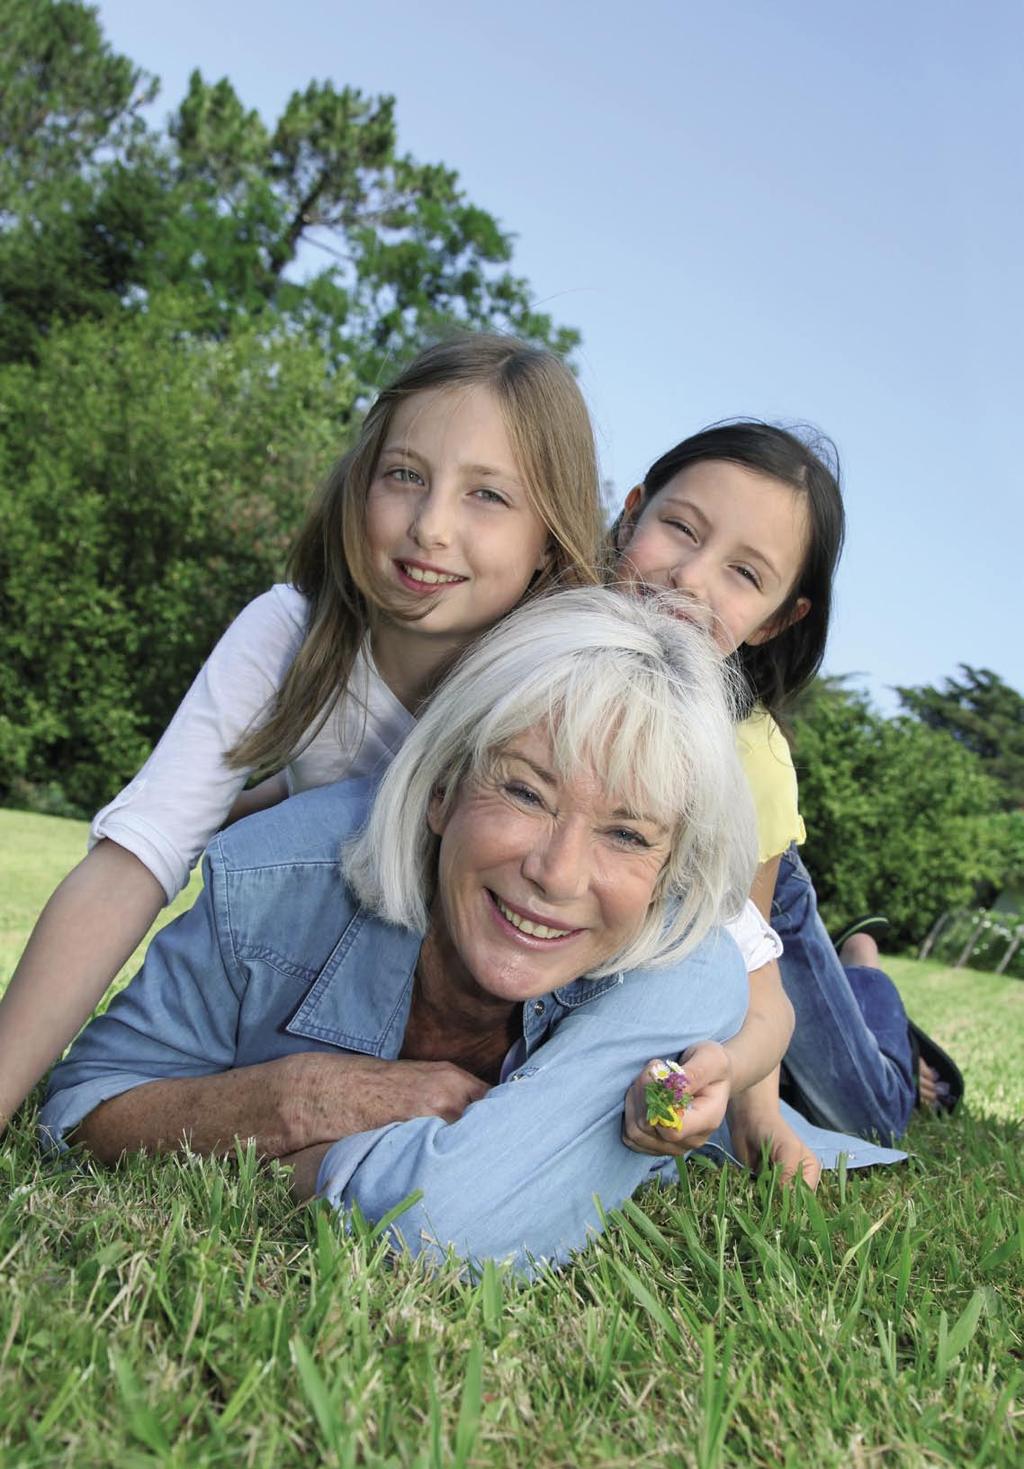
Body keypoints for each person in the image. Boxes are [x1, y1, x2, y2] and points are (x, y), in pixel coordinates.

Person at [40, 589, 761, 1274]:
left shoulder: (683, 966)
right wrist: (304, 1098)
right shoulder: (274, 880)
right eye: (523, 791)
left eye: (628, 834)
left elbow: (445, 1225)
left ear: (669, 876)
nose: (558, 873)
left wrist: (309, 1168)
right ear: (443, 788)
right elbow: (79, 1112)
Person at [0, 333, 606, 1136]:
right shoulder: (288, 632)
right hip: (314, 972)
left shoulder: (569, 692)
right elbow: (135, 859)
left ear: (548, 540)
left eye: (487, 496)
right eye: (405, 476)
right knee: (302, 821)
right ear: (361, 483)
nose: (429, 526)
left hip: (471, 1001)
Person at [614, 422, 929, 1166]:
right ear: (632, 512)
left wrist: (757, 1113)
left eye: (745, 574)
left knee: (871, 1114)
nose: (691, 577)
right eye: (680, 527)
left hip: (758, 895)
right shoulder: (540, 642)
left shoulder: (749, 760)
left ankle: (866, 971)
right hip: (644, 903)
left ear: (779, 618)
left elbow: (736, 964)